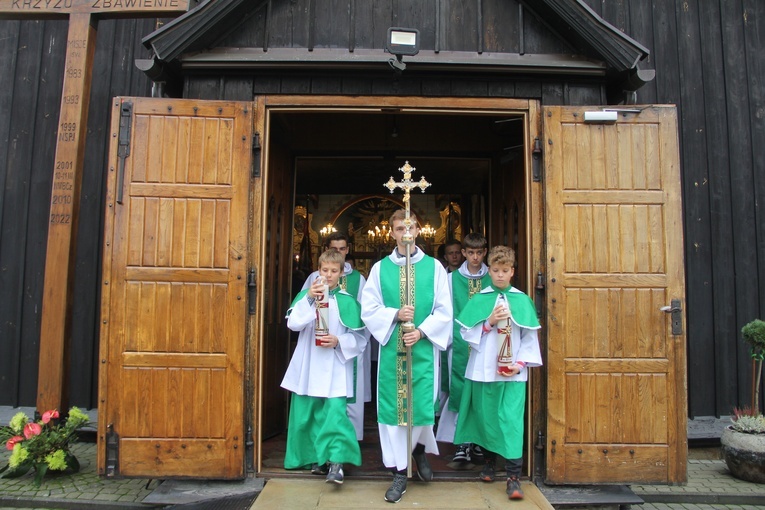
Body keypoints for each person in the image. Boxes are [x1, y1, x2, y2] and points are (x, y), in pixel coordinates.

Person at [360, 209, 453, 504]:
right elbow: (369, 309)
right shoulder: (380, 269)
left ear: (420, 230)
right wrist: (395, 315)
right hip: (392, 353)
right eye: (400, 228)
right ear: (392, 233)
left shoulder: (435, 268)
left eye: (410, 227)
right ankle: (400, 472)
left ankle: (418, 451)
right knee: (393, 413)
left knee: (420, 409)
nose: (405, 233)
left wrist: (423, 332)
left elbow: (444, 310)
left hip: (423, 351)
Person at [453, 245, 542, 500]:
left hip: (512, 373)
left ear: (512, 271)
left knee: (511, 421)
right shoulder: (480, 298)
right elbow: (465, 333)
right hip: (484, 371)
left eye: (505, 270)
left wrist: (521, 364)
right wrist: (489, 321)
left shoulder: (522, 299)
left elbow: (529, 337)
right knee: (487, 418)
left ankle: (513, 477)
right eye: (495, 270)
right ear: (488, 271)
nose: (500, 275)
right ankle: (489, 464)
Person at [282, 249, 368, 484]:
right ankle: (316, 459)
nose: (328, 275)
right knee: (307, 415)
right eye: (324, 270)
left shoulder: (348, 302)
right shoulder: (305, 297)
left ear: (341, 275)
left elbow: (360, 339)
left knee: (335, 416)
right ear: (317, 271)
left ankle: (336, 462)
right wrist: (310, 298)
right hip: (309, 365)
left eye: (333, 271)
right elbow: (294, 324)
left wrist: (339, 341)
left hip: (334, 367)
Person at [302, 232, 370, 444]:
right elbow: (300, 311)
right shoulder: (314, 278)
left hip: (346, 345)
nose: (338, 252)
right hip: (317, 346)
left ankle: (351, 438)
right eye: (334, 248)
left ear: (347, 250)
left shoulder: (359, 279)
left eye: (342, 249)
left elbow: (363, 315)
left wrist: (345, 341)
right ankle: (322, 445)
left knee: (349, 392)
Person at [436, 232, 491, 465]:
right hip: (458, 344)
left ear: (484, 252)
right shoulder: (451, 279)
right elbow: (444, 311)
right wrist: (448, 341)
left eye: (479, 253)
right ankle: (462, 442)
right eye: (471, 253)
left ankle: (478, 441)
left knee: (481, 391)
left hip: (487, 345)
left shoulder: (493, 277)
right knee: (459, 391)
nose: (475, 257)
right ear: (464, 253)